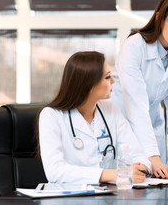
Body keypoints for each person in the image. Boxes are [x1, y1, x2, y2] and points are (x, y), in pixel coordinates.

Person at [110, 0, 168, 179]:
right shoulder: (134, 47)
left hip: (153, 128)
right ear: (159, 17)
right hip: (124, 128)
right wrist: (153, 157)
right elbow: (136, 107)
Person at [38, 51, 151, 184]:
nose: (113, 81)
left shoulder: (111, 110)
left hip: (108, 196)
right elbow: (55, 172)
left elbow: (138, 155)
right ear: (89, 85)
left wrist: (140, 169)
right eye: (108, 77)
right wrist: (111, 174)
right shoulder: (51, 116)